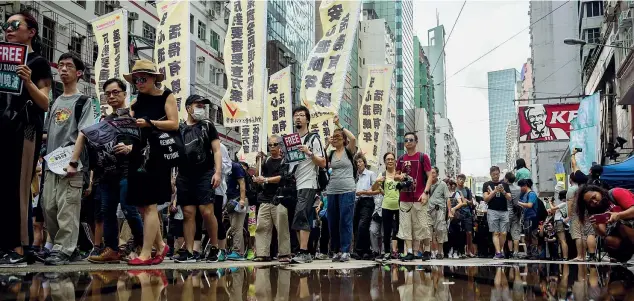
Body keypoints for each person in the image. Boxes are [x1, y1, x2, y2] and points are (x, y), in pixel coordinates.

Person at [0, 11, 52, 266]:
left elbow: (45, 102)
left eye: (14, 25)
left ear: (30, 31)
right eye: (5, 26)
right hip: (3, 129)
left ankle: (21, 247)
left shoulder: (38, 62)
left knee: (20, 188)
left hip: (26, 129)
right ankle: (6, 244)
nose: (8, 29)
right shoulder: (2, 61)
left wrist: (28, 81)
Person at [38, 53, 94, 266]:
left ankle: (64, 249)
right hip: (51, 165)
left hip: (72, 165)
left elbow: (83, 132)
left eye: (68, 66)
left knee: (67, 208)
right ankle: (67, 246)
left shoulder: (84, 101)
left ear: (78, 73)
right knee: (49, 207)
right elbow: (48, 133)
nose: (63, 69)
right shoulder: (55, 101)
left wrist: (73, 160)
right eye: (60, 65)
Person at [123, 59, 178, 265]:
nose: (139, 82)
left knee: (150, 204)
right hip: (138, 152)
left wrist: (150, 123)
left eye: (143, 78)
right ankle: (162, 246)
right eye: (135, 79)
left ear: (154, 78)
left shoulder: (167, 96)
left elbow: (174, 123)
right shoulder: (136, 101)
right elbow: (131, 125)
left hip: (157, 153)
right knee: (141, 205)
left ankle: (146, 253)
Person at [87, 78, 144, 264]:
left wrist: (130, 149)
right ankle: (112, 250)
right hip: (106, 174)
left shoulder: (135, 118)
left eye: (115, 92)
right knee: (106, 212)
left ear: (125, 94)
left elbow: (146, 145)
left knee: (129, 210)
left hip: (128, 172)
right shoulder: (104, 121)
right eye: (108, 93)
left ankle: (141, 246)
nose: (111, 96)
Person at [172, 95, 223, 263]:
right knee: (188, 213)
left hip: (205, 173)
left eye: (203, 106)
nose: (201, 108)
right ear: (188, 108)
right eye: (198, 105)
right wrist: (172, 177)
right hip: (184, 176)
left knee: (207, 212)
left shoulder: (208, 125)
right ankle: (188, 250)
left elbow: (216, 150)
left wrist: (217, 172)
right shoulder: (178, 128)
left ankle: (215, 247)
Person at [289, 106, 326, 264]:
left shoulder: (313, 139)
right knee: (298, 217)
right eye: (296, 115)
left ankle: (304, 251)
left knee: (302, 215)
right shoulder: (291, 140)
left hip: (309, 182)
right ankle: (304, 251)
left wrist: (309, 153)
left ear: (307, 120)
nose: (298, 118)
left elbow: (323, 162)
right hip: (297, 184)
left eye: (301, 115)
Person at [253, 135, 291, 263]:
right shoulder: (266, 160)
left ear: (280, 146)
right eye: (270, 145)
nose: (272, 147)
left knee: (282, 227)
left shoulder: (285, 161)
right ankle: (262, 253)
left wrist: (266, 180)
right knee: (262, 226)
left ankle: (284, 253)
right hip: (265, 198)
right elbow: (257, 174)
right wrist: (258, 160)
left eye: (275, 144)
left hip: (279, 198)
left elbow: (282, 177)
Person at [325, 116, 358, 262]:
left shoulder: (348, 151)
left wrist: (339, 125)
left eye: (339, 137)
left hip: (347, 190)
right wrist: (326, 144)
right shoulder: (331, 153)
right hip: (332, 191)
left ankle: (345, 250)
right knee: (332, 220)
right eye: (334, 137)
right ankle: (336, 250)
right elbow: (320, 161)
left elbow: (354, 139)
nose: (336, 139)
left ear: (344, 139)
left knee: (345, 220)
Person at [395, 132, 432, 261]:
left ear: (416, 142)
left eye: (411, 139)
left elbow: (430, 176)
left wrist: (426, 192)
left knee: (423, 225)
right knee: (406, 226)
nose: (408, 142)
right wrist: (400, 176)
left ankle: (427, 250)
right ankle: (410, 252)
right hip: (405, 198)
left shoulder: (423, 157)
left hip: (420, 197)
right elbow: (396, 175)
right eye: (406, 140)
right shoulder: (400, 159)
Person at [577, 185, 634, 262]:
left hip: (628, 225)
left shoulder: (616, 193)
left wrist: (619, 215)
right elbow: (603, 233)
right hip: (625, 232)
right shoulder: (599, 208)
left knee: (621, 225)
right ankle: (623, 257)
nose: (594, 202)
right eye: (590, 202)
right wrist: (595, 227)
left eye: (594, 197)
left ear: (599, 191)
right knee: (608, 239)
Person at [373, 152, 401, 261]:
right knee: (387, 230)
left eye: (392, 159)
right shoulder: (382, 175)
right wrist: (377, 181)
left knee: (398, 230)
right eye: (387, 159)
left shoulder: (399, 174)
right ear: (385, 162)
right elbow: (374, 188)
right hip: (386, 206)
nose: (390, 161)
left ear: (395, 161)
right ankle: (387, 252)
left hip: (398, 206)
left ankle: (398, 251)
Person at [354, 154, 381, 260]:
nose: (358, 164)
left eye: (360, 161)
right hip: (357, 202)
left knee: (363, 225)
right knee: (357, 226)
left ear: (364, 163)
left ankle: (361, 250)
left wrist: (364, 192)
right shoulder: (356, 176)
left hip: (368, 201)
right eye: (357, 162)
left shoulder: (370, 174)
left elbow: (377, 190)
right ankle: (365, 251)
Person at [482, 166, 512, 260]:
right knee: (495, 233)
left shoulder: (505, 184)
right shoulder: (487, 184)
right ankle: (498, 252)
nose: (496, 176)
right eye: (494, 174)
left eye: (497, 174)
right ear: (490, 174)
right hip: (492, 211)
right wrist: (495, 191)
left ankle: (500, 250)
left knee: (503, 233)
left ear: (500, 174)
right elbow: (486, 199)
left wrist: (503, 191)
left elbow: (510, 198)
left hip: (504, 210)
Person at [226, 160, 247, 261]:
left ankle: (237, 251)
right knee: (234, 226)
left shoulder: (235, 166)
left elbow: (242, 182)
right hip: (230, 200)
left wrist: (242, 200)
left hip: (238, 199)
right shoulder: (225, 168)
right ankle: (239, 251)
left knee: (236, 226)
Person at [517, 179, 540, 259]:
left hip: (532, 218)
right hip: (526, 218)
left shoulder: (532, 194)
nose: (520, 188)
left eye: (521, 186)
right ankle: (529, 253)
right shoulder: (524, 194)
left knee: (533, 235)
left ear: (525, 185)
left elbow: (530, 205)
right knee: (527, 236)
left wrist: (519, 203)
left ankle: (534, 254)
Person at [456, 174, 475, 257]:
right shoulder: (454, 189)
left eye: (463, 179)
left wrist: (466, 200)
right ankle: (460, 251)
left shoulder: (467, 190)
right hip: (458, 213)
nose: (461, 181)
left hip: (467, 213)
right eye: (460, 179)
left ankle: (469, 251)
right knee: (459, 233)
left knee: (469, 232)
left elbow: (472, 202)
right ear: (457, 179)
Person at [504, 172, 522, 259]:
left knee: (505, 233)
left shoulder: (505, 189)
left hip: (506, 212)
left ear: (506, 179)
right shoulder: (519, 188)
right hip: (516, 212)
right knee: (515, 233)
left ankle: (508, 252)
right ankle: (516, 252)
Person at [548, 190, 569, 260]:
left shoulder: (564, 203)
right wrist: (552, 203)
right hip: (559, 222)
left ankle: (565, 257)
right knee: (561, 240)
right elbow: (555, 211)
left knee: (562, 240)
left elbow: (552, 209)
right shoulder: (565, 204)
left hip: (559, 222)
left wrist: (550, 202)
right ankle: (564, 256)